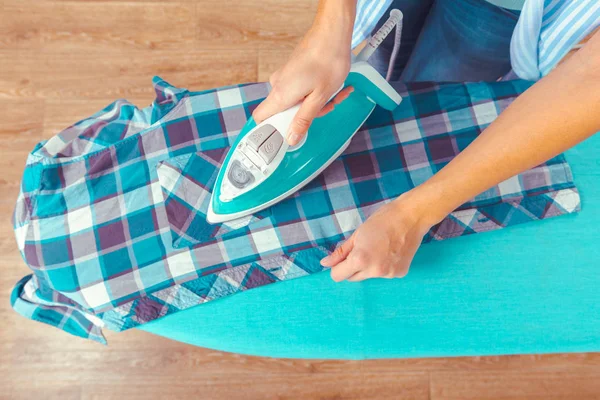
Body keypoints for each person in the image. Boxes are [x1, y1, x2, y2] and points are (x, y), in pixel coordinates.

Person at [251, 0, 600, 282]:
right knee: (385, 58)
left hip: (499, 9)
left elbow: (591, 79)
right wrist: (330, 27)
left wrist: (412, 214)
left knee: (423, 97)